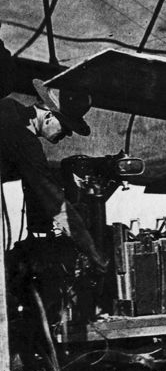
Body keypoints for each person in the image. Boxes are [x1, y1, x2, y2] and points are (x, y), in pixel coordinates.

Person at [0, 77, 106, 269]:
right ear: (48, 115)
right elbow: (54, 202)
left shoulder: (7, 106)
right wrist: (90, 249)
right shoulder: (26, 143)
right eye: (64, 128)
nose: (64, 136)